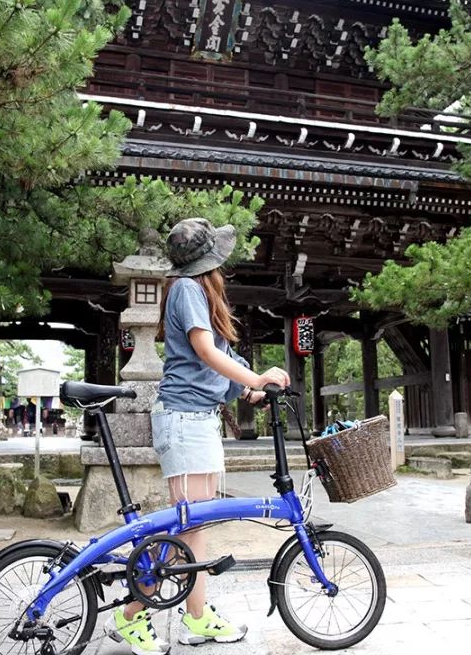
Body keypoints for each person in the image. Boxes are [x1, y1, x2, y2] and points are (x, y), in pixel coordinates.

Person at [111, 218, 290, 655]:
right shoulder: (188, 290)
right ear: (210, 264)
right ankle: (131, 614)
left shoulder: (196, 297)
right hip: (185, 421)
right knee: (186, 527)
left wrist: (250, 388)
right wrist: (258, 375)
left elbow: (213, 363)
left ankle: (196, 617)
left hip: (198, 420)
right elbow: (207, 353)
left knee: (196, 528)